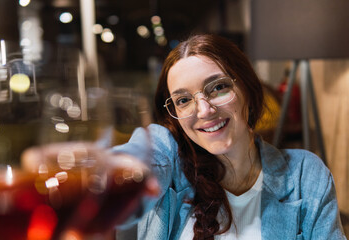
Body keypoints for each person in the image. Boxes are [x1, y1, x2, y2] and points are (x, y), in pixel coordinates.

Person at [114, 34, 346, 240]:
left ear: (246, 86)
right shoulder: (169, 154)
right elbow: (134, 163)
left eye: (217, 87)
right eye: (183, 100)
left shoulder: (304, 174)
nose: (204, 111)